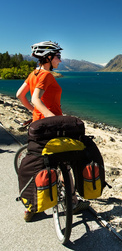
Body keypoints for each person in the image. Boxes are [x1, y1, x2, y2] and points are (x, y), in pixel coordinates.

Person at [16, 41, 89, 221]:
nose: (60, 59)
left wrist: (34, 114)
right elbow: (36, 99)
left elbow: (20, 95)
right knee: (64, 162)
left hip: (36, 127)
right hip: (50, 128)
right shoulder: (46, 75)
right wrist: (51, 118)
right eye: (57, 56)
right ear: (48, 58)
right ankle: (73, 202)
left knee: (38, 164)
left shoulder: (33, 73)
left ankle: (32, 207)